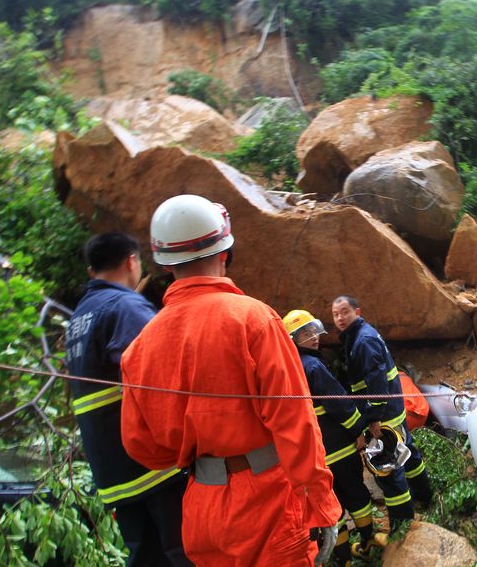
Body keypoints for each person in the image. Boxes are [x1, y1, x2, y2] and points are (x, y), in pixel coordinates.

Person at [119, 195, 342, 566]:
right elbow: (295, 422)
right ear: (225, 251)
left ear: (165, 264)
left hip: (201, 508)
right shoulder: (253, 320)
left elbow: (142, 447)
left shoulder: (140, 347)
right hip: (266, 504)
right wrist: (320, 504)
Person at [65, 233, 190, 567]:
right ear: (131, 262)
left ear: (92, 271)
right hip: (150, 462)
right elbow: (158, 372)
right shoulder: (124, 307)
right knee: (186, 551)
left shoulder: (79, 318)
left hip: (112, 468)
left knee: (146, 556)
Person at [283, 310, 389, 563]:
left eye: (313, 331)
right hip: (340, 446)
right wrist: (357, 431)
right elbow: (340, 404)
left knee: (332, 504)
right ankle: (367, 542)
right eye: (305, 334)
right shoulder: (313, 366)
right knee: (357, 495)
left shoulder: (289, 368)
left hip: (316, 453)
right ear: (293, 338)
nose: (314, 337)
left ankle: (342, 557)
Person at [331, 295, 433, 530]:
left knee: (388, 470)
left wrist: (374, 417)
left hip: (384, 417)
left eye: (344, 312)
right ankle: (425, 495)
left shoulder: (363, 341)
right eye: (336, 314)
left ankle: (402, 525)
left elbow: (376, 380)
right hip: (393, 411)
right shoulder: (362, 335)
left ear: (357, 311)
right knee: (408, 453)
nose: (340, 318)